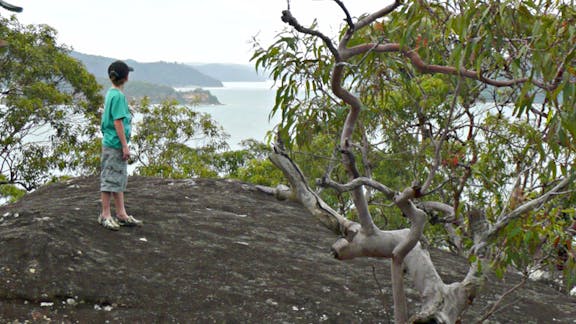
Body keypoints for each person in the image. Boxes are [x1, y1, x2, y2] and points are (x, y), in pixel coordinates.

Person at [98, 60, 142, 230]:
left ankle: (121, 213)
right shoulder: (118, 96)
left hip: (112, 142)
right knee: (109, 179)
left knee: (118, 179)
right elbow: (118, 122)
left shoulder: (111, 93)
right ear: (126, 77)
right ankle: (106, 214)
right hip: (115, 144)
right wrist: (125, 145)